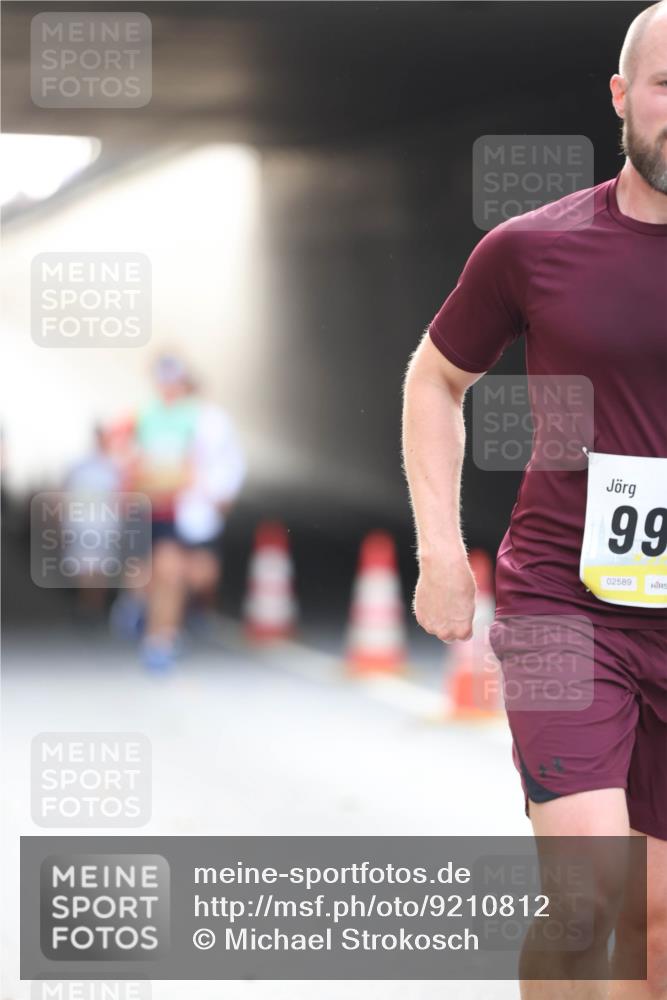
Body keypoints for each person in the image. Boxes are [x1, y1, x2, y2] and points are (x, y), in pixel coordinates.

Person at [402, 3, 667, 998]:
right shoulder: (533, 247)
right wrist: (438, 546)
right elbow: (435, 377)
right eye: (665, 85)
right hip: (568, 607)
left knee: (656, 934)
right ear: (621, 97)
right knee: (588, 899)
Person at [130, 354, 246, 671]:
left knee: (202, 574)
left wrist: (217, 494)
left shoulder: (210, 419)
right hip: (161, 509)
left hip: (197, 513)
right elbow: (132, 462)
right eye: (163, 382)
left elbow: (230, 462)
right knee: (169, 573)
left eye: (175, 382)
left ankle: (148, 612)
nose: (168, 389)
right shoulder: (147, 416)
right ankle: (160, 640)